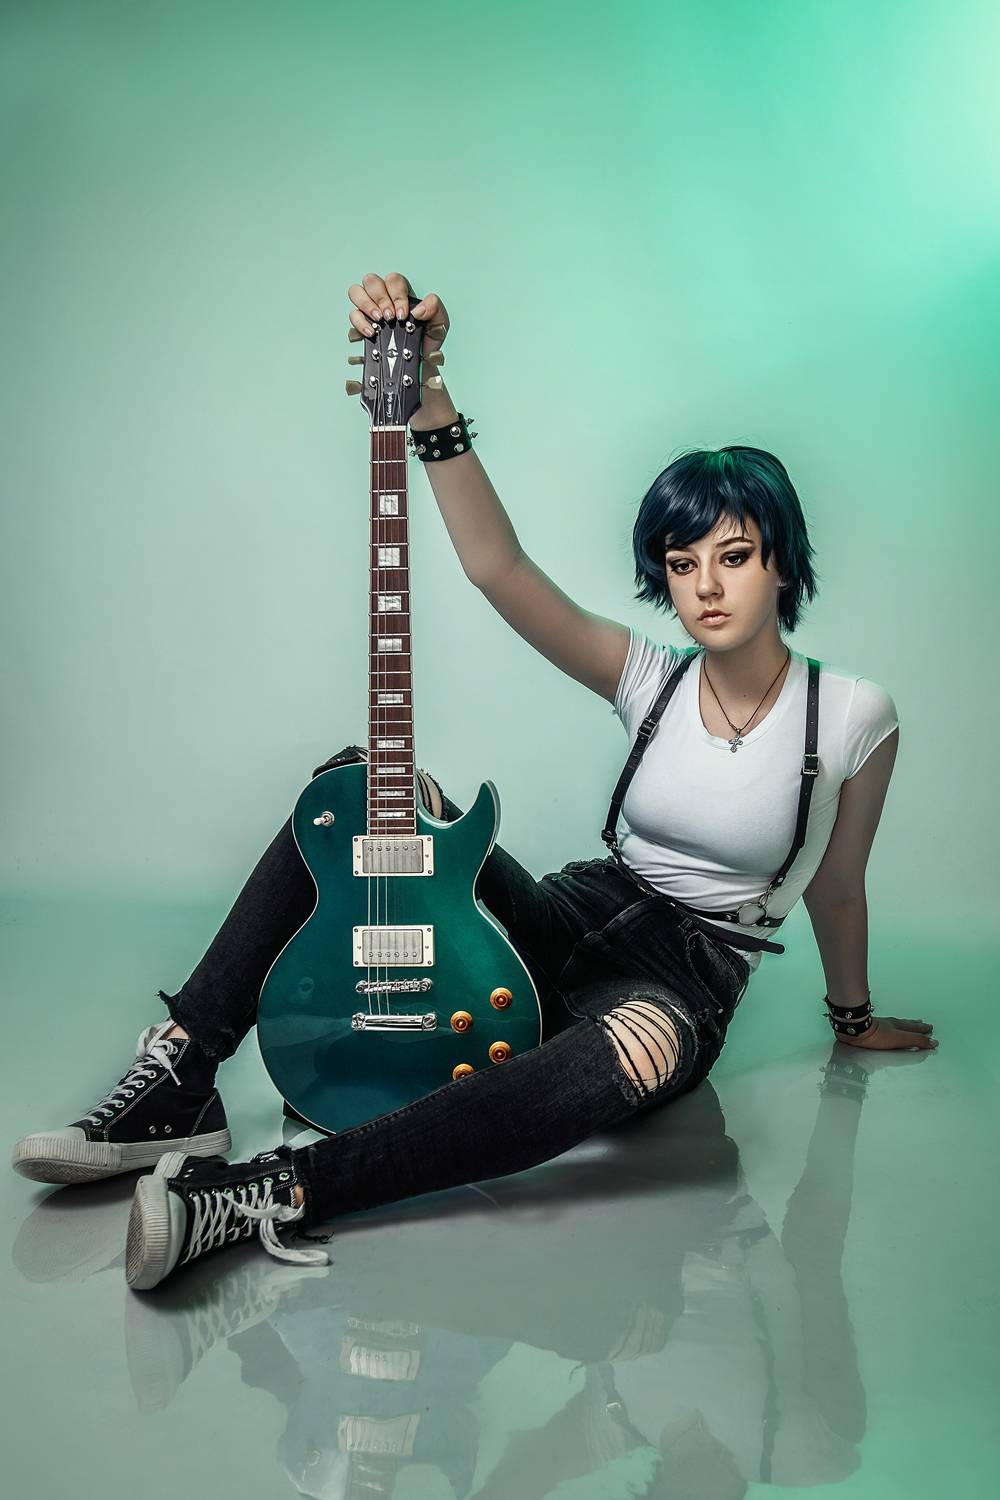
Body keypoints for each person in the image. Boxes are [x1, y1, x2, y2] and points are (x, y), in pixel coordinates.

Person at [11, 271, 937, 1294]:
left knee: (632, 1051)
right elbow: (501, 571)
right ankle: (182, 1076)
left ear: (782, 562)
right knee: (358, 782)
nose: (707, 586)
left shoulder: (851, 715)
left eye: (735, 555)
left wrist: (852, 1021)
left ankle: (274, 1191)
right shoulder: (651, 678)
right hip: (565, 915)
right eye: (682, 564)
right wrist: (430, 401)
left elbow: (837, 886)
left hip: (680, 979)